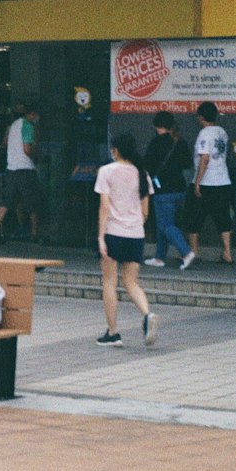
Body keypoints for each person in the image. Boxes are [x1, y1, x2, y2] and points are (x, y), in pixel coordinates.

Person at [94, 133, 158, 347]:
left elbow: (104, 207)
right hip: (135, 234)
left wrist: (101, 237)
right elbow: (145, 212)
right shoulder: (142, 174)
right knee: (131, 282)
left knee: (110, 282)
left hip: (113, 232)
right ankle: (148, 314)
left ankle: (113, 333)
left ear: (116, 150)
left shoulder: (106, 171)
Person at [143, 111, 195, 269]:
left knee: (166, 225)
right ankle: (159, 257)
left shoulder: (156, 142)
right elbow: (187, 164)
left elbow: (148, 164)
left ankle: (186, 252)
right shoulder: (180, 142)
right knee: (163, 224)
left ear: (157, 126)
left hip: (162, 190)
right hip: (179, 188)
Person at [188, 101, 234, 264]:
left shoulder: (204, 134)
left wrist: (197, 182)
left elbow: (205, 158)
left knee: (194, 218)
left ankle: (194, 252)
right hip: (223, 180)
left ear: (201, 117)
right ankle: (227, 252)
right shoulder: (222, 132)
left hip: (207, 182)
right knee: (223, 218)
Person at [0, 104, 41, 242]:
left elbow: (5, 143)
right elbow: (27, 149)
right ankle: (34, 233)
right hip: (25, 168)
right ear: (33, 114)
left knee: (6, 201)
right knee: (31, 202)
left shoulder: (12, 126)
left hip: (11, 168)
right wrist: (35, 153)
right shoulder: (28, 126)